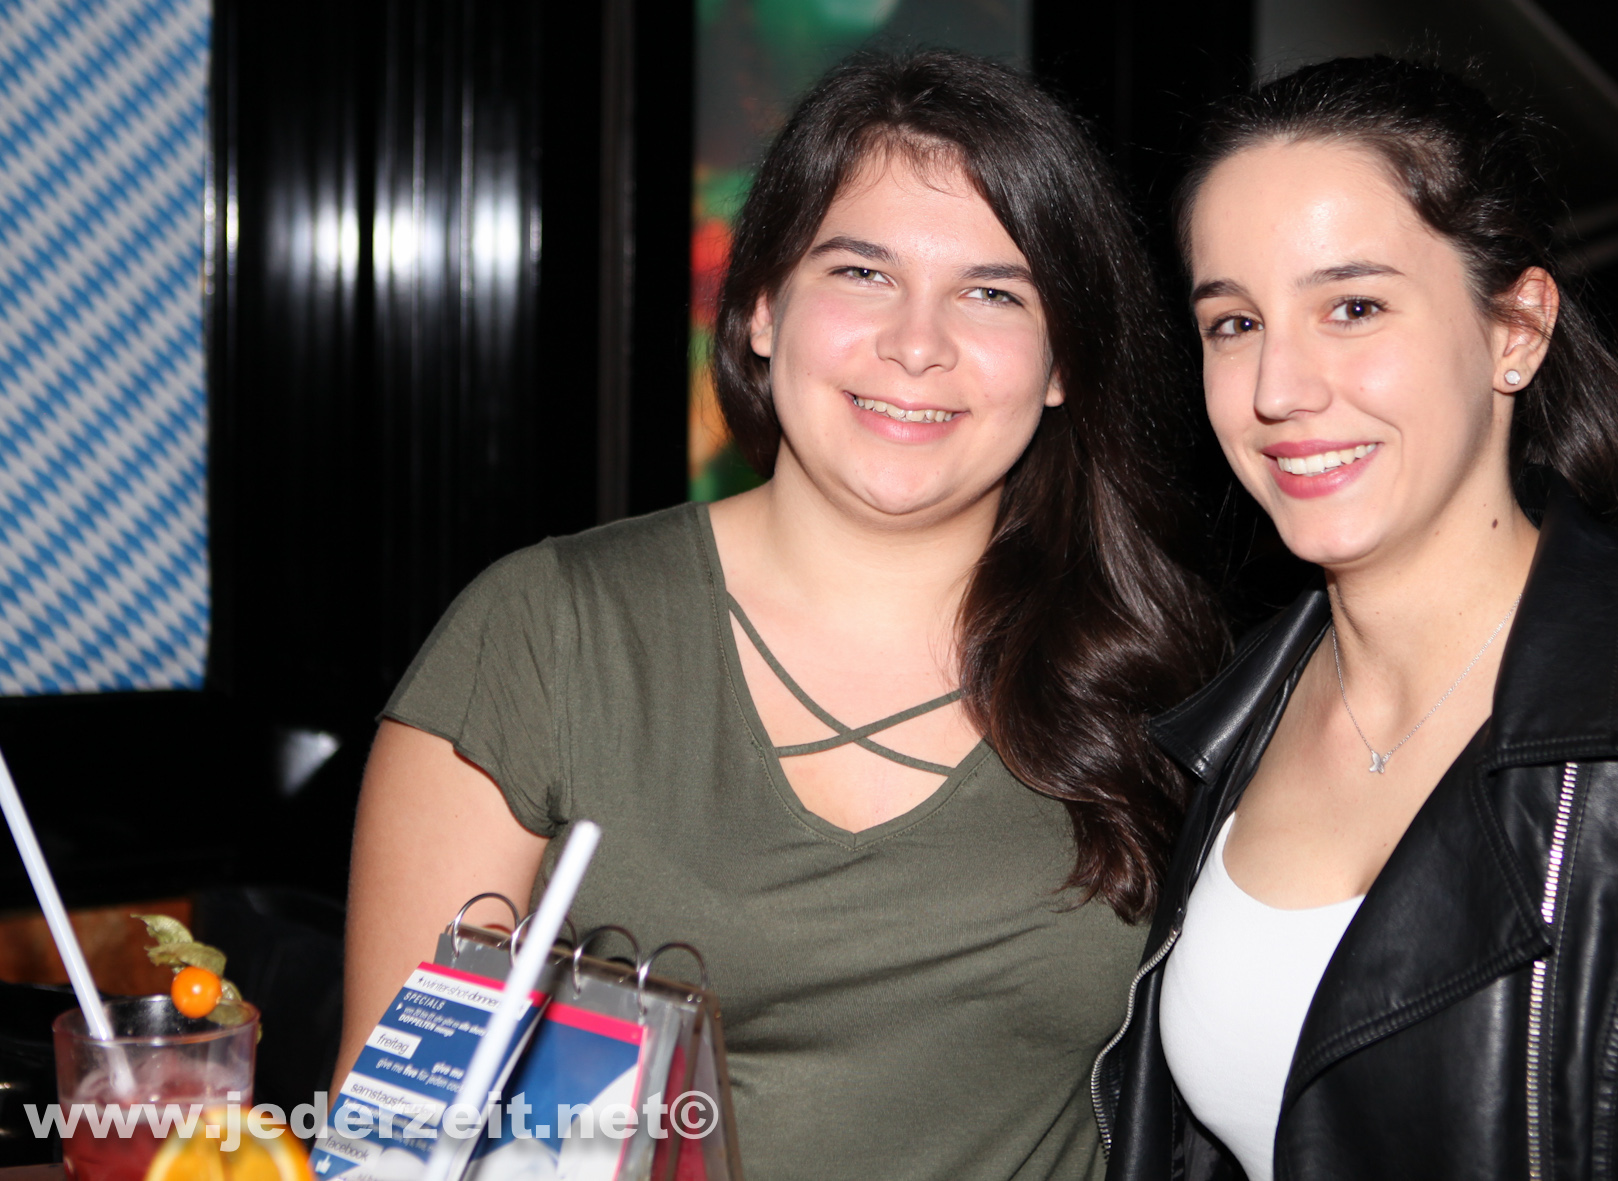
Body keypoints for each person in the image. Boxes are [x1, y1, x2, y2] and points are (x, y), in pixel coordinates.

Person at [338, 51, 1224, 1180]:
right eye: (862, 271)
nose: (917, 343)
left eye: (992, 292)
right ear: (760, 306)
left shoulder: (1162, 675)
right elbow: (388, 1145)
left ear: (1061, 362)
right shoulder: (544, 632)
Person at [1096, 56, 1618, 1180]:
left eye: (1352, 307)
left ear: (1516, 328)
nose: (1277, 387)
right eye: (1233, 322)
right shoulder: (1222, 713)